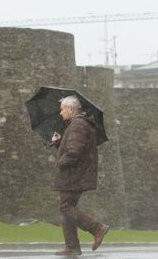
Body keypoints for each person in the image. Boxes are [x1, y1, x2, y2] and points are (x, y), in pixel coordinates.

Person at [50, 95, 109, 256]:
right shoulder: (76, 125)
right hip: (76, 174)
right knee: (66, 208)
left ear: (71, 109)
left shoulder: (77, 125)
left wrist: (60, 163)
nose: (61, 113)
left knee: (66, 207)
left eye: (62, 109)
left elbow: (74, 153)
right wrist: (58, 142)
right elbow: (73, 147)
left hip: (74, 175)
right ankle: (72, 246)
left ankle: (97, 228)